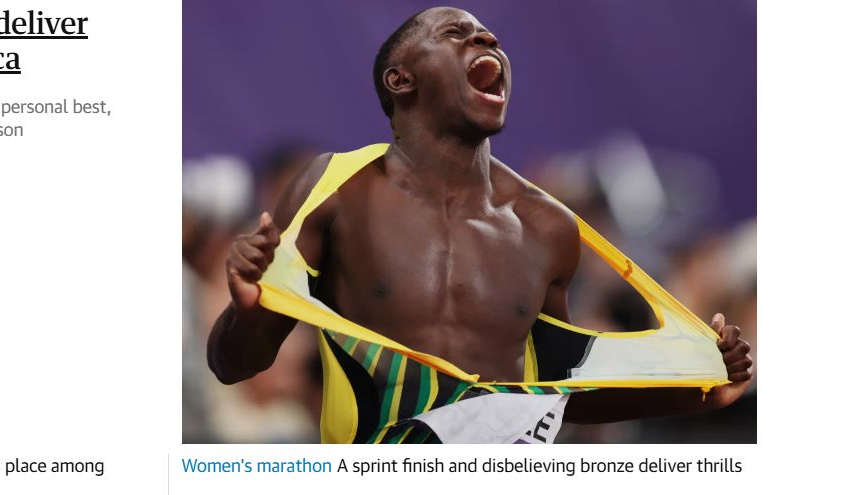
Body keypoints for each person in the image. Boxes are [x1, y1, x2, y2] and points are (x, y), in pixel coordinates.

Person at [207, 7, 752, 440]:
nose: (487, 42)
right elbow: (233, 365)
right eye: (456, 34)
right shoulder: (334, 188)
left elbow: (557, 390)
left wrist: (696, 391)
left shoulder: (547, 225)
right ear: (402, 79)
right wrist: (249, 310)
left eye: (491, 37)